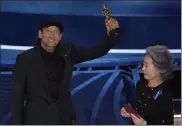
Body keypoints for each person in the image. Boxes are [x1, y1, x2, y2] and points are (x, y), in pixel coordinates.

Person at [11, 18, 122, 125]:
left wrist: (113, 33)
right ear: (40, 34)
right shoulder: (25, 58)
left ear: (60, 36)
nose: (52, 35)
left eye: (56, 32)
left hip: (64, 119)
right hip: (35, 120)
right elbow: (17, 95)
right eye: (48, 31)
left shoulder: (68, 52)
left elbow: (95, 51)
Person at [121, 45, 175, 125]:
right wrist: (129, 113)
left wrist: (145, 124)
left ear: (159, 70)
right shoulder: (141, 84)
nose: (142, 68)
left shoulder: (165, 95)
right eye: (143, 65)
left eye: (146, 65)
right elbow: (139, 111)